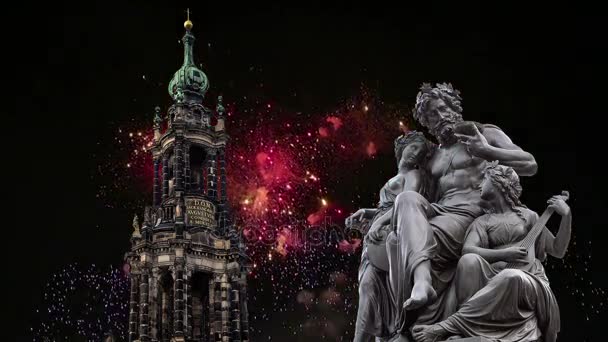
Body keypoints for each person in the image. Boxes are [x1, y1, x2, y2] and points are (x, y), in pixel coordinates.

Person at [389, 83, 538, 335]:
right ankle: (421, 287)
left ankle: (414, 319)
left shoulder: (484, 133)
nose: (438, 119)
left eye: (441, 110)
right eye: (430, 117)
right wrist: (375, 216)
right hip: (440, 211)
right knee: (403, 207)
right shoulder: (432, 157)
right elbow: (418, 194)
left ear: (454, 108)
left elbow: (530, 164)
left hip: (469, 216)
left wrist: (487, 151)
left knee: (400, 241)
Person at [412, 162, 571, 342]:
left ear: (499, 183)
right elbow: (468, 250)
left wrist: (566, 216)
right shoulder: (483, 222)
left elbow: (558, 250)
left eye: (484, 179)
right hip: (494, 277)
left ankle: (448, 326)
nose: (480, 185)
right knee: (469, 261)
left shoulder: (529, 216)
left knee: (511, 277)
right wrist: (504, 254)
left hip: (527, 280)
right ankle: (468, 329)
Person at [346, 131, 434, 341]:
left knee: (371, 287)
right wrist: (366, 213)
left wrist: (382, 222)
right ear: (402, 148)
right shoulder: (396, 176)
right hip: (376, 238)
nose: (415, 154)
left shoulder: (414, 175)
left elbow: (406, 200)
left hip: (389, 235)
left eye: (420, 151)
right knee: (366, 288)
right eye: (413, 147)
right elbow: (385, 206)